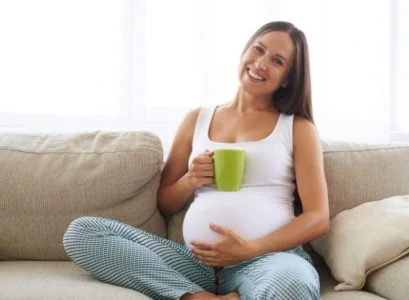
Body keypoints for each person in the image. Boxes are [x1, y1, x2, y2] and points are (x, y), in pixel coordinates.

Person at [63, 21, 329, 300]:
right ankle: (196, 297)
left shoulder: (297, 128)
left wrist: (251, 248)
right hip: (194, 265)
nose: (260, 63)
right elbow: (165, 202)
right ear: (244, 52)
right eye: (258, 50)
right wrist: (190, 180)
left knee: (294, 283)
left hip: (266, 260)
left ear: (287, 78)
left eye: (276, 61)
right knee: (82, 233)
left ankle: (240, 293)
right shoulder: (197, 120)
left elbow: (318, 218)